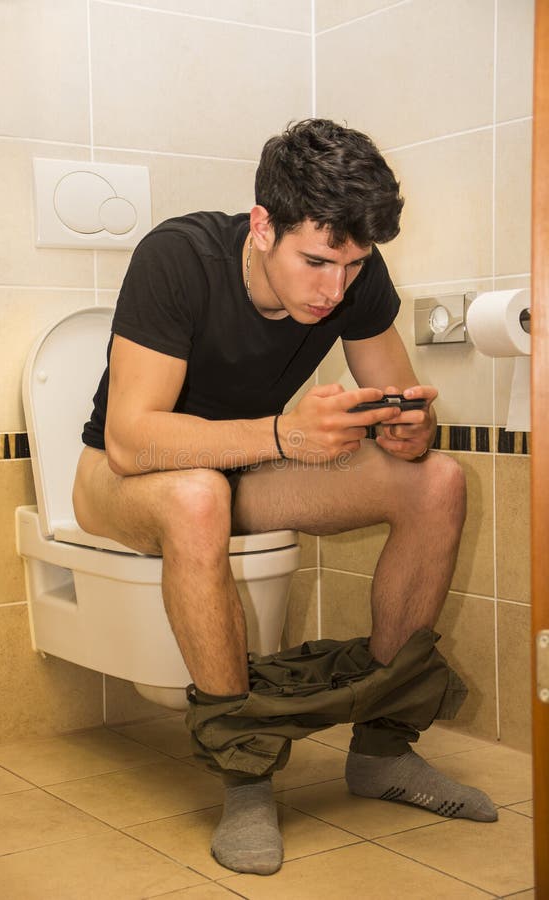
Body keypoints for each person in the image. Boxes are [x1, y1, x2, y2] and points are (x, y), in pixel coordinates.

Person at [73, 118, 497, 876]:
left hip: (248, 467)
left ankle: (383, 751)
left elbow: (396, 401)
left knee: (437, 483)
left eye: (354, 265)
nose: (334, 290)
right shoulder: (179, 258)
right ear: (263, 225)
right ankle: (246, 780)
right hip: (122, 479)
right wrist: (282, 435)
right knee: (198, 496)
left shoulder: (354, 279)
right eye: (316, 262)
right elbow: (132, 440)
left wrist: (410, 429)